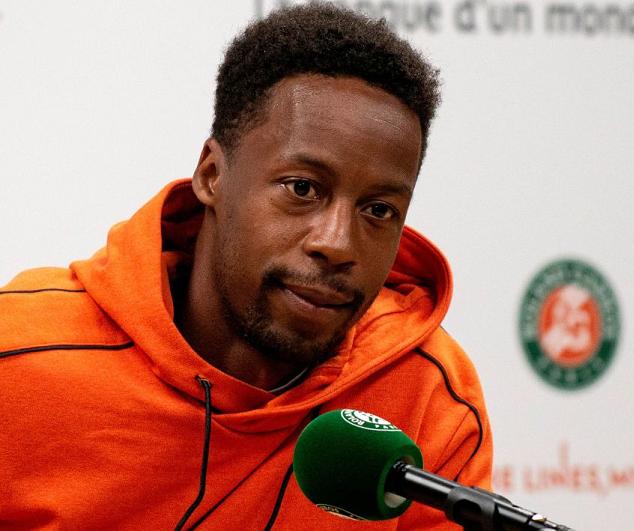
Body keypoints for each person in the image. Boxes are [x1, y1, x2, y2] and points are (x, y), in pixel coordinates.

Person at [0, 4, 492, 529]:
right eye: (302, 189)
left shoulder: (427, 395)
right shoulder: (19, 356)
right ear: (212, 175)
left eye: (378, 210)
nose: (337, 244)